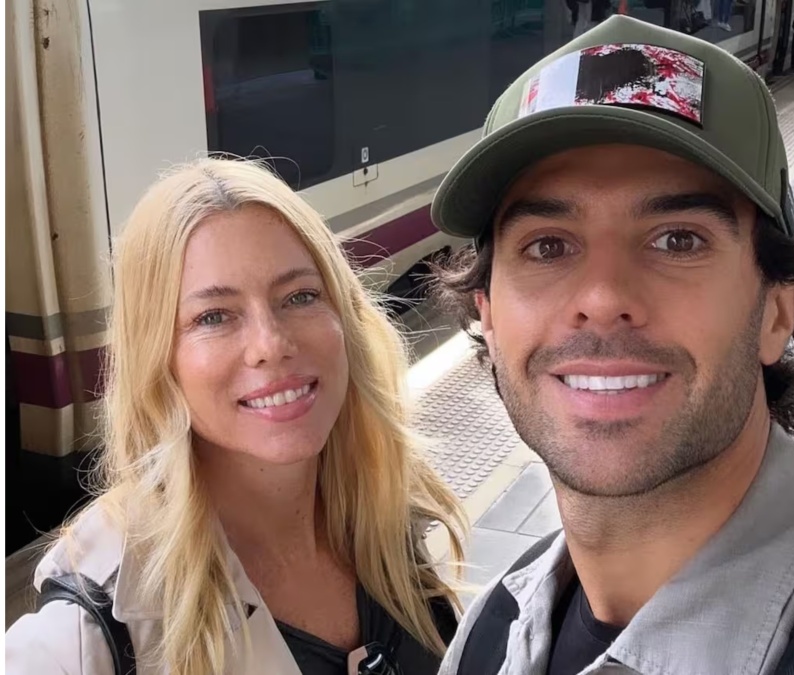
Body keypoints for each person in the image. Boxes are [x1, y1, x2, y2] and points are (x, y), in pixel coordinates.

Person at [432, 15, 794, 674]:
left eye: (678, 239)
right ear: (487, 316)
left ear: (778, 310)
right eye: (547, 246)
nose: (602, 295)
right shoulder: (491, 629)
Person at [5, 158, 466, 675]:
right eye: (213, 316)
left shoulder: (384, 508)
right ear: (158, 357)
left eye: (301, 296)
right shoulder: (88, 632)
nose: (271, 344)